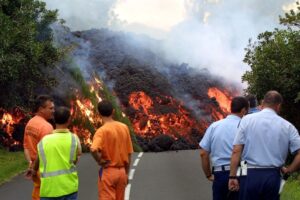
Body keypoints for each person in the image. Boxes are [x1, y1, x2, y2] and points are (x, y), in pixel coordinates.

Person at [229, 90, 300, 200]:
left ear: (262, 102)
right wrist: (288, 170)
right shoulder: (288, 126)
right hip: (273, 175)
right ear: (279, 106)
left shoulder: (246, 120)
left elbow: (236, 150)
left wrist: (233, 176)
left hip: (249, 173)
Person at [199, 96, 249, 200]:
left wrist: (208, 175)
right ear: (244, 110)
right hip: (241, 171)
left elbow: (203, 154)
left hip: (219, 174)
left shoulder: (214, 126)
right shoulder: (246, 127)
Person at [29, 106, 82, 200]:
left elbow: (38, 158)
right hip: (69, 189)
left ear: (54, 119)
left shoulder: (44, 141)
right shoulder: (74, 139)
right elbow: (76, 159)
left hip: (48, 190)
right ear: (69, 120)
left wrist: (33, 171)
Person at [90, 100, 133, 200]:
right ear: (113, 111)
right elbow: (129, 153)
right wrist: (126, 173)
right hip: (122, 172)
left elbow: (93, 149)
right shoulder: (124, 127)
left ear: (98, 113)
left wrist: (99, 160)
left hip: (108, 172)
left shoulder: (101, 131)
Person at [24, 95, 55, 200]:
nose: (53, 111)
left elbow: (26, 146)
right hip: (45, 170)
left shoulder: (30, 123)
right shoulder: (47, 127)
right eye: (50, 108)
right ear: (41, 109)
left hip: (35, 169)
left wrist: (30, 164)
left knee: (38, 193)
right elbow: (48, 152)